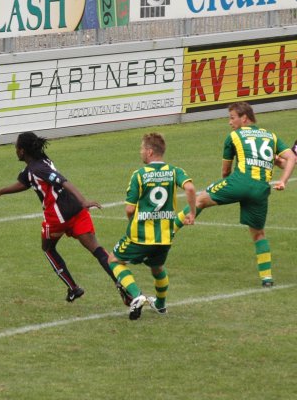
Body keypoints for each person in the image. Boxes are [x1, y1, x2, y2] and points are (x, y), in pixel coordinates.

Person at [0, 131, 123, 303]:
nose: (15, 151)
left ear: (22, 151)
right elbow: (25, 182)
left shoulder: (38, 168)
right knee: (97, 250)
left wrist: (84, 200)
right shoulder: (39, 164)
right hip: (76, 211)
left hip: (57, 217)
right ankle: (124, 287)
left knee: (48, 249)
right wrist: (0, 192)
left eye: (16, 148)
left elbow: (62, 181)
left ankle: (73, 288)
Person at [174, 102, 296, 287]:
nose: (230, 122)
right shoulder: (270, 136)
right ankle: (267, 278)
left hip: (239, 182)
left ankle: (166, 234)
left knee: (199, 200)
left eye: (232, 118)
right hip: (261, 189)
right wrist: (283, 181)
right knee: (258, 234)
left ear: (244, 118)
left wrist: (229, 187)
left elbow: (225, 173)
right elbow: (291, 159)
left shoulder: (234, 136)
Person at [108, 133, 196, 320]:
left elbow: (130, 209)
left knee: (114, 260)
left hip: (140, 235)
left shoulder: (139, 175)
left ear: (149, 151)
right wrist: (192, 213)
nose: (140, 152)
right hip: (164, 236)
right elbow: (189, 188)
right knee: (157, 267)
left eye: (142, 149)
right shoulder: (174, 171)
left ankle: (137, 295)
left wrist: (132, 221)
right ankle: (161, 305)